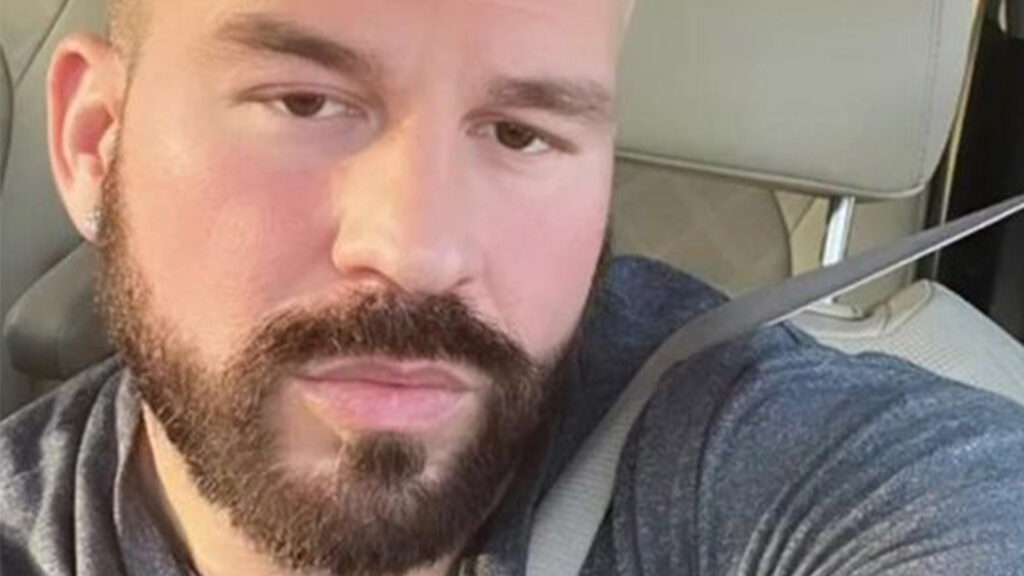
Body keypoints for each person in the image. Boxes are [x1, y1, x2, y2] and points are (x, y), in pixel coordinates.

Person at [2, 0, 1024, 574]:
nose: (419, 252)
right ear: (96, 143)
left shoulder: (771, 470)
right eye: (305, 102)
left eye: (520, 132)